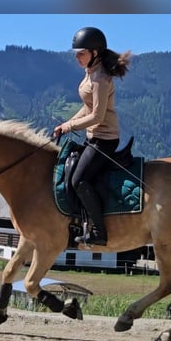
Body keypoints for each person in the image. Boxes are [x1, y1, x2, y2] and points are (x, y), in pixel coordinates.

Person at [53, 27, 132, 246]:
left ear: (95, 53)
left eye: (81, 53)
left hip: (104, 138)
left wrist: (69, 126)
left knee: (80, 180)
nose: (77, 57)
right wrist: (65, 124)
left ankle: (99, 231)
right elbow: (87, 107)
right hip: (94, 137)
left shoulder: (100, 79)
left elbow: (97, 116)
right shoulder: (91, 72)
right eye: (76, 53)